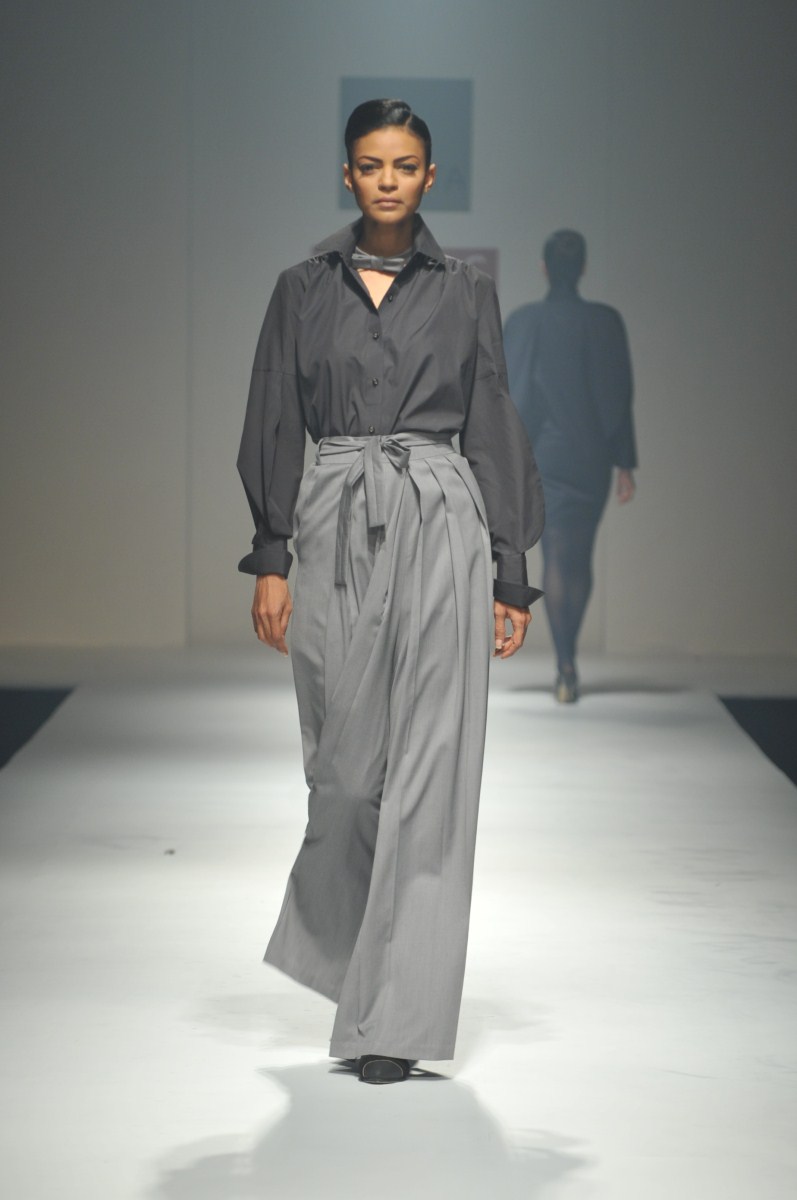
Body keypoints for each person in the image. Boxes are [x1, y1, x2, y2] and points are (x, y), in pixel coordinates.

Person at [237, 99, 544, 1084]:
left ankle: (393, 1020)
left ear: (428, 177)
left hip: (441, 512)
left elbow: (491, 418)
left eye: (403, 166)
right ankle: (344, 957)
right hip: (333, 511)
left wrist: (508, 569)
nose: (386, 181)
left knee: (429, 771)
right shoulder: (301, 287)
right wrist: (272, 555)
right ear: (347, 174)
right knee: (342, 770)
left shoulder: (464, 290)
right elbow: (272, 415)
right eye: (370, 165)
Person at [503, 230, 637, 703]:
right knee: (578, 555)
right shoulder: (605, 322)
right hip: (590, 458)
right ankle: (568, 658)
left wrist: (505, 459)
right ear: (582, 268)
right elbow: (619, 396)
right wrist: (624, 462)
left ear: (543, 268)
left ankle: (564, 665)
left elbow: (508, 397)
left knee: (557, 555)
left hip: (545, 456)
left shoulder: (523, 322)